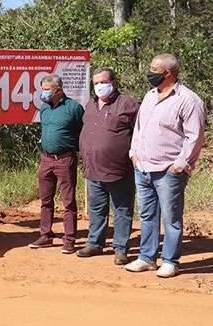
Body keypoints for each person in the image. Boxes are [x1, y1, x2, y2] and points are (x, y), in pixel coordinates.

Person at [125, 54, 205, 278]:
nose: (150, 72)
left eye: (153, 69)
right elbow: (139, 128)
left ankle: (170, 261)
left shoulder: (189, 100)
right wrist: (134, 155)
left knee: (171, 218)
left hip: (169, 171)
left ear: (168, 72)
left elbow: (195, 137)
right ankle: (147, 258)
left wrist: (179, 165)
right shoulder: (150, 95)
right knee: (147, 215)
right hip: (143, 168)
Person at [76, 68, 140, 265]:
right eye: (96, 83)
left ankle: (120, 249)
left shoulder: (129, 104)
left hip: (119, 170)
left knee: (121, 210)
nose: (99, 86)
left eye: (103, 82)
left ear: (114, 82)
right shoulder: (90, 104)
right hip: (93, 169)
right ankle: (95, 243)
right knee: (96, 208)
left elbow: (141, 132)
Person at [28, 74, 84, 254]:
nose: (43, 93)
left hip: (65, 160)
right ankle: (45, 235)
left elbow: (81, 133)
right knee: (45, 200)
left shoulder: (74, 108)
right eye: (42, 89)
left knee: (68, 202)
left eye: (47, 89)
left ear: (58, 90)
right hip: (46, 160)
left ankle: (69, 239)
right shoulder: (44, 107)